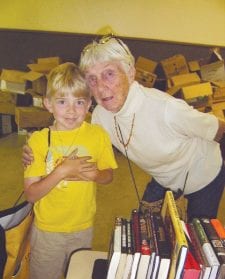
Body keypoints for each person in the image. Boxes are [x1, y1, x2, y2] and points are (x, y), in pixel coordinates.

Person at [23, 36, 225, 222]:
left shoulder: (166, 109)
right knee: (146, 229)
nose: (101, 87)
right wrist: (37, 149)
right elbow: (73, 136)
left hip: (205, 173)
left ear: (130, 73)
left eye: (109, 74)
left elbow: (220, 129)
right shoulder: (101, 115)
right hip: (164, 177)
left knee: (200, 239)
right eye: (92, 79)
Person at [24, 62, 117, 279]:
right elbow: (32, 194)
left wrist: (96, 174)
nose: (71, 111)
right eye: (62, 101)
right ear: (48, 104)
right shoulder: (38, 141)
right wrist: (62, 171)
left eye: (79, 102)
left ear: (88, 104)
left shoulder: (97, 135)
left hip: (83, 227)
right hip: (47, 232)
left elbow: (108, 175)